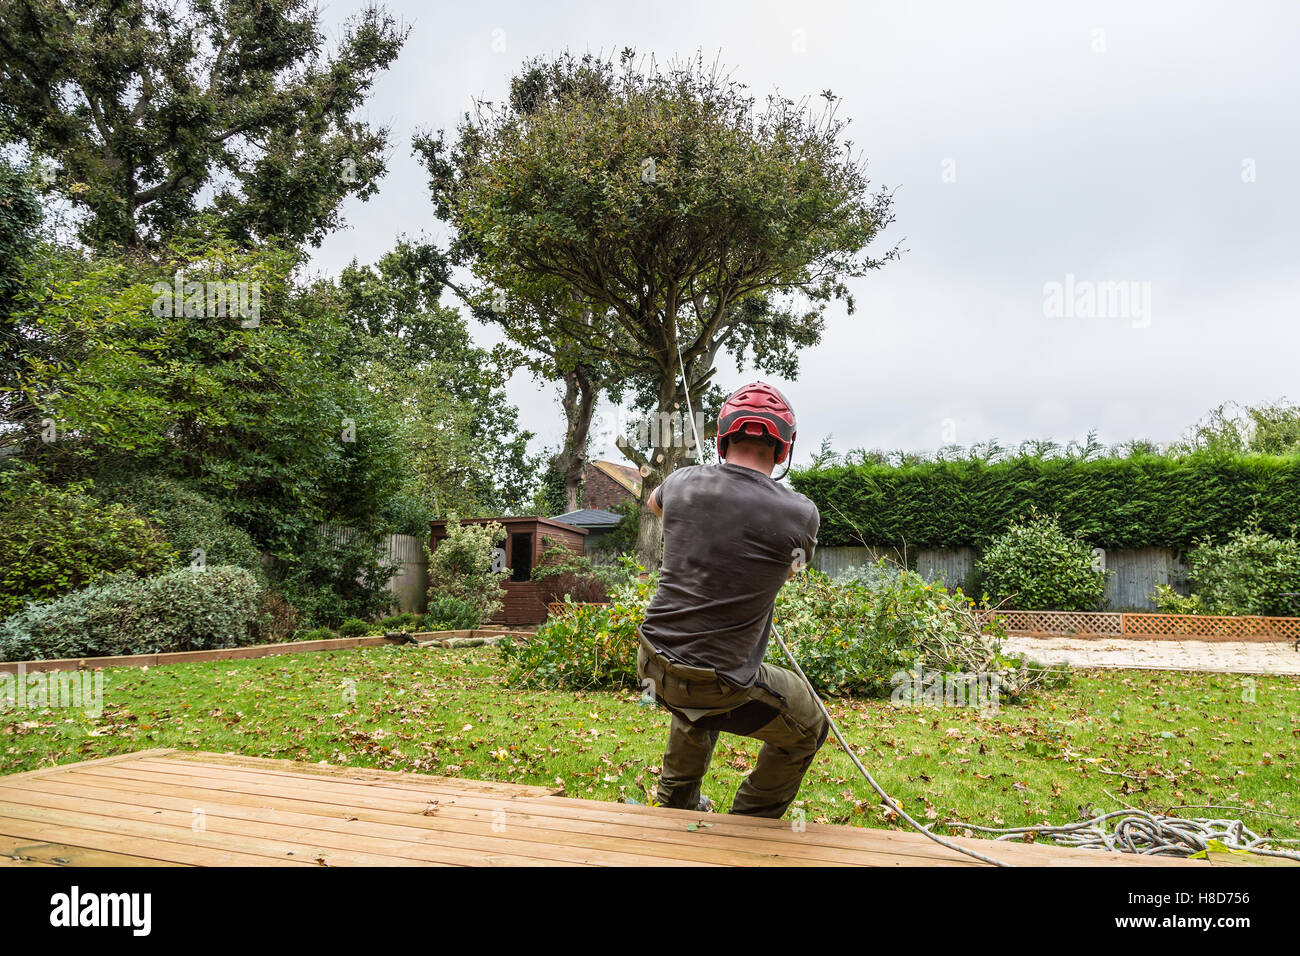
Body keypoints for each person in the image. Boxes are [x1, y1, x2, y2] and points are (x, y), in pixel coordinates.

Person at [636, 381, 829, 818]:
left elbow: (655, 505)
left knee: (696, 691)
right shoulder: (800, 512)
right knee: (809, 726)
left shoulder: (682, 482)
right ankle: (750, 823)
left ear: (723, 438)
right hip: (719, 682)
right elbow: (794, 569)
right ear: (783, 448)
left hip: (651, 663)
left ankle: (677, 801)